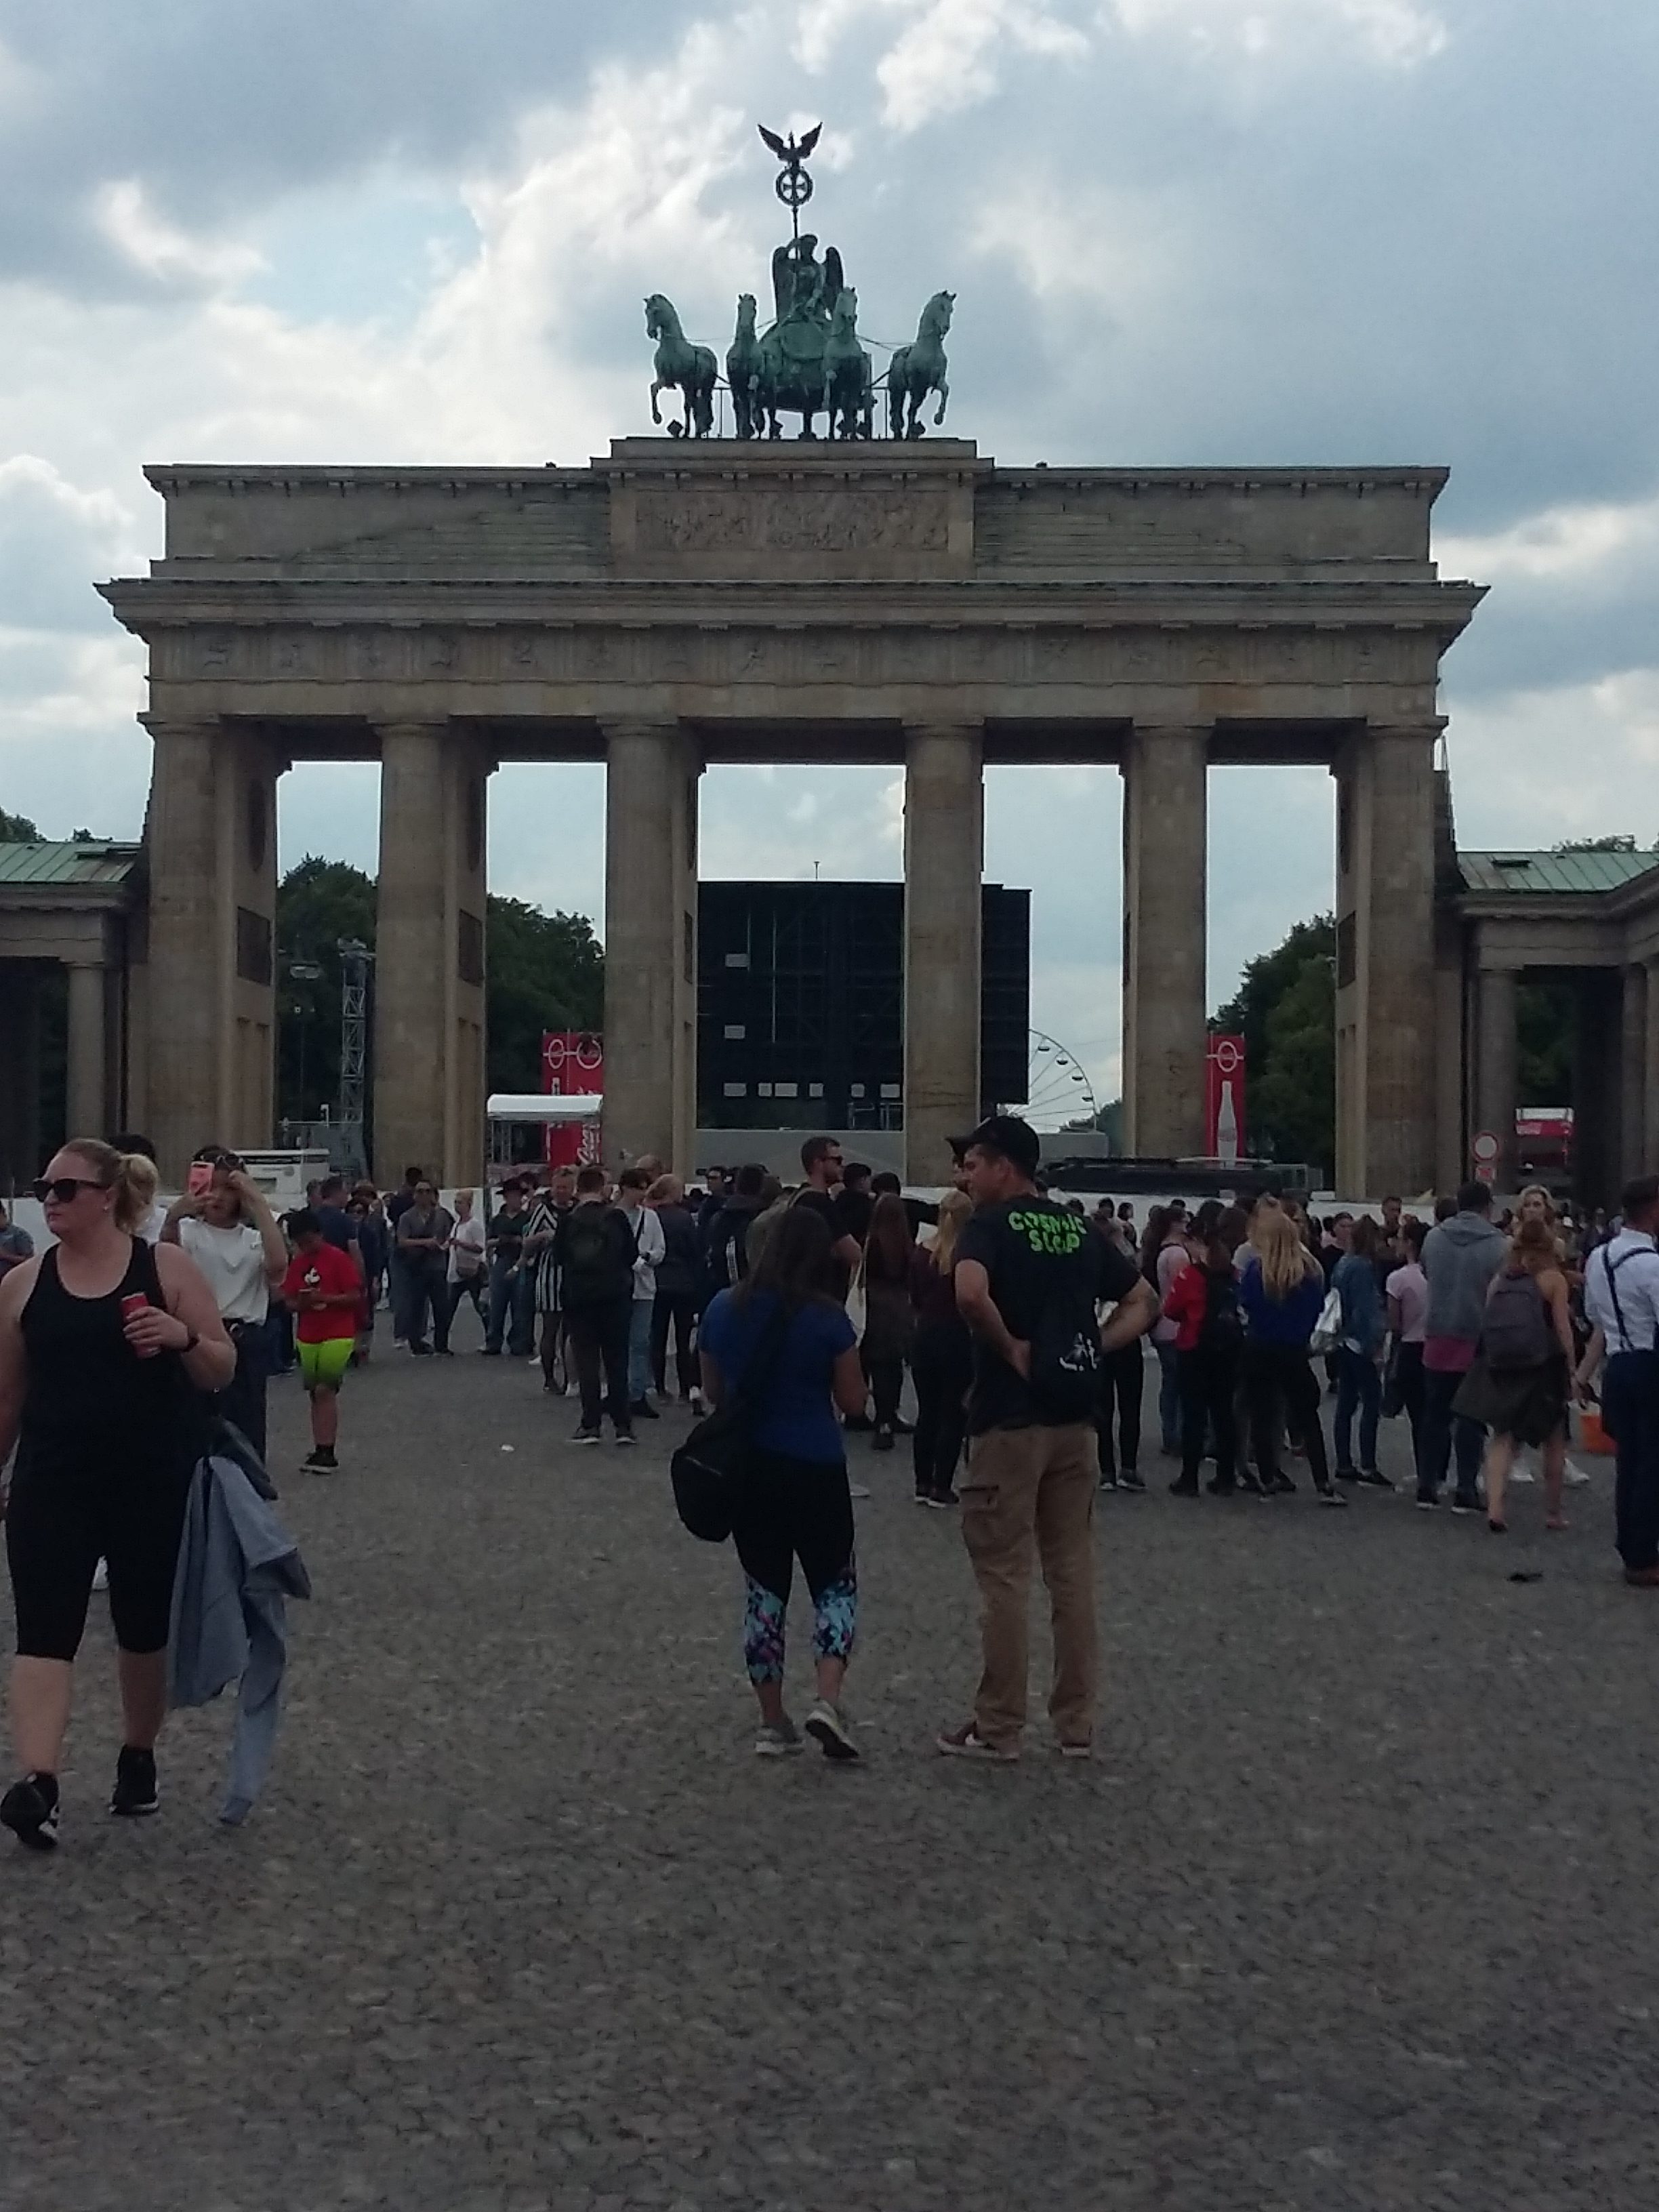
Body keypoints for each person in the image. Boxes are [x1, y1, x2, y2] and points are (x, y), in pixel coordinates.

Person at [0, 1139, 235, 1851]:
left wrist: (181, 1334)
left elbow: (222, 1367)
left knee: (141, 1628)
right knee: (43, 1630)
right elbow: (6, 1399)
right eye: (45, 1188)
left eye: (66, 1188)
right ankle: (39, 1783)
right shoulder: (22, 1285)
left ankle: (139, 1754)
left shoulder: (164, 1268)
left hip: (149, 1476)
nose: (51, 1199)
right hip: (51, 1479)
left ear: (108, 1196)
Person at [940, 1115, 1156, 1761]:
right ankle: (1076, 1723)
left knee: (1004, 1574)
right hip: (1075, 1420)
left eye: (973, 1163)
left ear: (1006, 1166)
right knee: (1072, 1573)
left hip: (1010, 1419)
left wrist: (1010, 1348)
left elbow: (969, 1291)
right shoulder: (1077, 1227)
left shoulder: (990, 1225)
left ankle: (999, 1724)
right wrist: (1096, 1344)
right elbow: (1146, 1299)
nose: (964, 1175)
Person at [698, 1206, 865, 1761]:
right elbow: (853, 1401)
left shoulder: (724, 1309)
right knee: (834, 1587)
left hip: (753, 1469)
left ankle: (772, 1721)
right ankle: (828, 1699)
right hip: (816, 1462)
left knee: (764, 1594)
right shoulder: (828, 1319)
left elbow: (715, 1393)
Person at [1452, 1214, 1576, 1534]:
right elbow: (1563, 1327)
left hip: (1505, 1363)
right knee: (1554, 1438)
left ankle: (1495, 1507)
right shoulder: (1553, 1279)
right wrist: (1572, 1368)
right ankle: (1553, 1512)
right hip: (1544, 1365)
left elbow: (1488, 1318)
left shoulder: (1503, 1277)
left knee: (1503, 1436)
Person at [161, 1149, 288, 1460]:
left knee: (245, 1436)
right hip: (196, 1337)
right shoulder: (188, 1232)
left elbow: (278, 1268)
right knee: (190, 1433)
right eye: (211, 1187)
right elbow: (164, 1267)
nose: (217, 1197)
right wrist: (174, 1216)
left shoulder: (255, 1238)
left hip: (245, 1341)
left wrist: (257, 1200)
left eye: (227, 1189)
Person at [1579, 1176, 1659, 1585]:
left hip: (1618, 1365)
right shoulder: (1651, 1265)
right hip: (1649, 1365)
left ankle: (1630, 1546)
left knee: (1629, 1461)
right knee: (1651, 1465)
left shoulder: (1599, 1257)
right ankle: (1644, 1556)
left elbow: (1595, 1316)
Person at [1237, 1202, 1340, 1502]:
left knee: (1262, 1415)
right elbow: (1317, 1310)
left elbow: (1246, 1306)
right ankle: (1322, 1482)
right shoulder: (1308, 1274)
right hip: (1294, 1350)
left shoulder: (1256, 1271)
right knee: (1307, 1417)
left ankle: (1268, 1478)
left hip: (1259, 1346)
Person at [1419, 1183, 1507, 1511]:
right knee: (1471, 1416)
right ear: (1488, 1206)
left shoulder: (1434, 1237)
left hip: (1439, 1333)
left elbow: (1427, 1273)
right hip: (1477, 1337)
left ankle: (1428, 1483)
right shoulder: (1499, 1245)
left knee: (1434, 1416)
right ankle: (1466, 1488)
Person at [1162, 1200, 1248, 1499]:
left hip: (1194, 1346)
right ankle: (1225, 1477)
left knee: (1194, 1415)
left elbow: (1171, 1309)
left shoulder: (1191, 1276)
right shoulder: (1235, 1276)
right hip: (1228, 1351)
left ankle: (1189, 1477)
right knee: (1224, 1414)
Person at [555, 1167, 637, 1446]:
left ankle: (590, 1424)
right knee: (617, 1361)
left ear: (579, 1187)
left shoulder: (568, 1221)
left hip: (579, 1299)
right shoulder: (616, 1217)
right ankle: (623, 1425)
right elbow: (631, 1255)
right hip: (615, 1297)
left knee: (587, 1361)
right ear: (603, 1187)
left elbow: (558, 1257)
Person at [279, 1210, 362, 1474]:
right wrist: (302, 1303)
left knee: (325, 1389)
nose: (305, 1247)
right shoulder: (298, 1264)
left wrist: (325, 1299)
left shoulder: (338, 1259)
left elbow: (354, 1295)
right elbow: (289, 1301)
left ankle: (328, 1452)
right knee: (315, 1393)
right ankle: (321, 1444)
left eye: (308, 1241)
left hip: (338, 1332)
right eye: (300, 1243)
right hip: (308, 1334)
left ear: (319, 1235)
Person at [908, 1189, 972, 1507]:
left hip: (925, 1336)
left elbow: (916, 1298)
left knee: (927, 1413)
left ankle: (921, 1481)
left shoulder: (921, 1252)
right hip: (958, 1338)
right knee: (953, 1413)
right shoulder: (967, 1256)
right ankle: (941, 1484)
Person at [1331, 1217, 1389, 1486]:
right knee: (1371, 1402)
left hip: (1342, 1339)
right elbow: (1367, 1311)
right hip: (1359, 1342)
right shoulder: (1364, 1268)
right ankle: (1367, 1463)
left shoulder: (1343, 1264)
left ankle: (1344, 1461)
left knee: (1345, 1403)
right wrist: (1374, 1346)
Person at [858, 1191, 916, 1452]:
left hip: (873, 1307)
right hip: (899, 1309)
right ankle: (888, 1417)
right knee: (893, 1369)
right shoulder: (906, 1244)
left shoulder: (870, 1243)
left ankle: (870, 1418)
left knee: (874, 1364)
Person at [616, 1168, 667, 1418]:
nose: (642, 1194)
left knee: (640, 1341)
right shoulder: (613, 1216)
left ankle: (637, 1393)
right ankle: (618, 1391)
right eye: (639, 1188)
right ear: (626, 1188)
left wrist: (648, 1257)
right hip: (618, 1287)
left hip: (644, 1286)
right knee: (618, 1341)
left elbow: (660, 1249)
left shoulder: (651, 1218)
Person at [646, 1175, 701, 1403]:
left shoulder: (652, 1217)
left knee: (657, 1336)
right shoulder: (684, 1218)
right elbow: (694, 1250)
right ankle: (685, 1388)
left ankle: (658, 1385)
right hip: (683, 1282)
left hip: (657, 1281)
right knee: (683, 1338)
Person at [790, 1136, 863, 1298]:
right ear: (818, 1163)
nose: (842, 1166)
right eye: (837, 1160)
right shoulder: (819, 1202)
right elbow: (854, 1253)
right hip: (822, 1295)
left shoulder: (797, 1198)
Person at [525, 1167, 575, 1394]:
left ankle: (571, 1378)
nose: (562, 1192)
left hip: (575, 1275)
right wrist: (543, 1236)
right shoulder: (543, 1211)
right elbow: (527, 1241)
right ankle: (549, 1378)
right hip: (550, 1277)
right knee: (551, 1328)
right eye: (558, 1187)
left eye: (566, 1187)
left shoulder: (578, 1210)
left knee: (572, 1331)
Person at [1144, 1206, 1189, 1457]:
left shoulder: (1158, 1251)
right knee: (1180, 1384)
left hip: (1161, 1325)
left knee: (1170, 1383)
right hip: (1176, 1325)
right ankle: (1177, 1433)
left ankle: (1170, 1432)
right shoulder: (1177, 1254)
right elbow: (1183, 1290)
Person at [394, 1180, 453, 1355]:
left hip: (437, 1266)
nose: (424, 1195)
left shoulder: (442, 1215)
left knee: (442, 1307)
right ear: (414, 1195)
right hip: (416, 1267)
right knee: (416, 1307)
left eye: (427, 1191)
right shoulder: (407, 1217)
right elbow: (402, 1241)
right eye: (420, 1191)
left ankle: (441, 1344)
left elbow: (450, 1235)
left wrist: (445, 1246)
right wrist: (425, 1243)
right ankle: (416, 1343)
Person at [482, 1179, 535, 1357]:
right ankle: (493, 1340)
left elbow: (530, 1240)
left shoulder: (527, 1218)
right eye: (510, 1196)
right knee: (497, 1305)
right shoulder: (498, 1220)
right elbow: (488, 1242)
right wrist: (500, 1241)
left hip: (521, 1259)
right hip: (503, 1259)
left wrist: (516, 1240)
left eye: (517, 1196)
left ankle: (520, 1341)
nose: (514, 1199)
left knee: (521, 1305)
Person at [705, 1162, 769, 1296]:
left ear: (736, 1186)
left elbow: (714, 1253)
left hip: (724, 1288)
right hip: (758, 1289)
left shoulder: (720, 1216)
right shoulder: (765, 1218)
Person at [384, 1166, 426, 1344]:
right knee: (420, 1295)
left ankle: (401, 1333)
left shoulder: (397, 1200)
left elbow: (391, 1216)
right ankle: (418, 1333)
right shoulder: (418, 1205)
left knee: (402, 1294)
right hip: (419, 1252)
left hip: (400, 1251)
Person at [445, 1189, 489, 1347]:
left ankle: (491, 1339)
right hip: (456, 1271)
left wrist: (460, 1243)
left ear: (469, 1205)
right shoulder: (457, 1225)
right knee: (449, 1308)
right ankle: (442, 1342)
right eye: (456, 1203)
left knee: (481, 1306)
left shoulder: (474, 1225)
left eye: (460, 1203)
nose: (457, 1206)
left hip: (472, 1270)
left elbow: (480, 1247)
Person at [0, 1198, 35, 1281]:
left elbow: (30, 1262)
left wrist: (5, 1256)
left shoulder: (19, 1234)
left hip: (11, 1282)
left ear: (3, 1214)